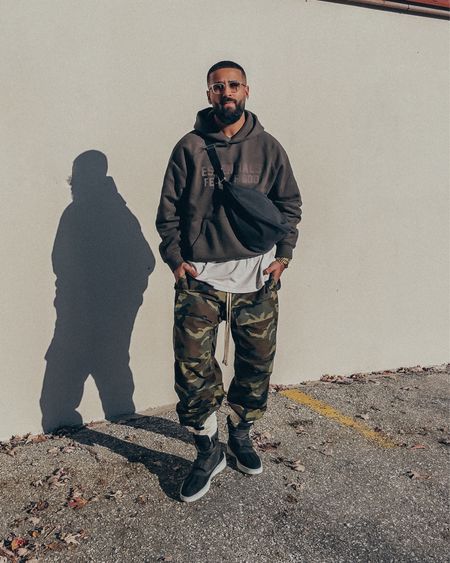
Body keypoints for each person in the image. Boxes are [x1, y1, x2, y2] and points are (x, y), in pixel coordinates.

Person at [156, 60, 302, 502]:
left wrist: (284, 258)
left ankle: (240, 434)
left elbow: (290, 205)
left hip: (256, 279)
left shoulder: (269, 147)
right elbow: (168, 212)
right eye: (217, 86)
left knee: (256, 367)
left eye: (233, 85)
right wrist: (176, 260)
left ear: (247, 90)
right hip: (201, 279)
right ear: (208, 95)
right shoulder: (189, 148)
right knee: (192, 371)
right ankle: (207, 449)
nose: (226, 92)